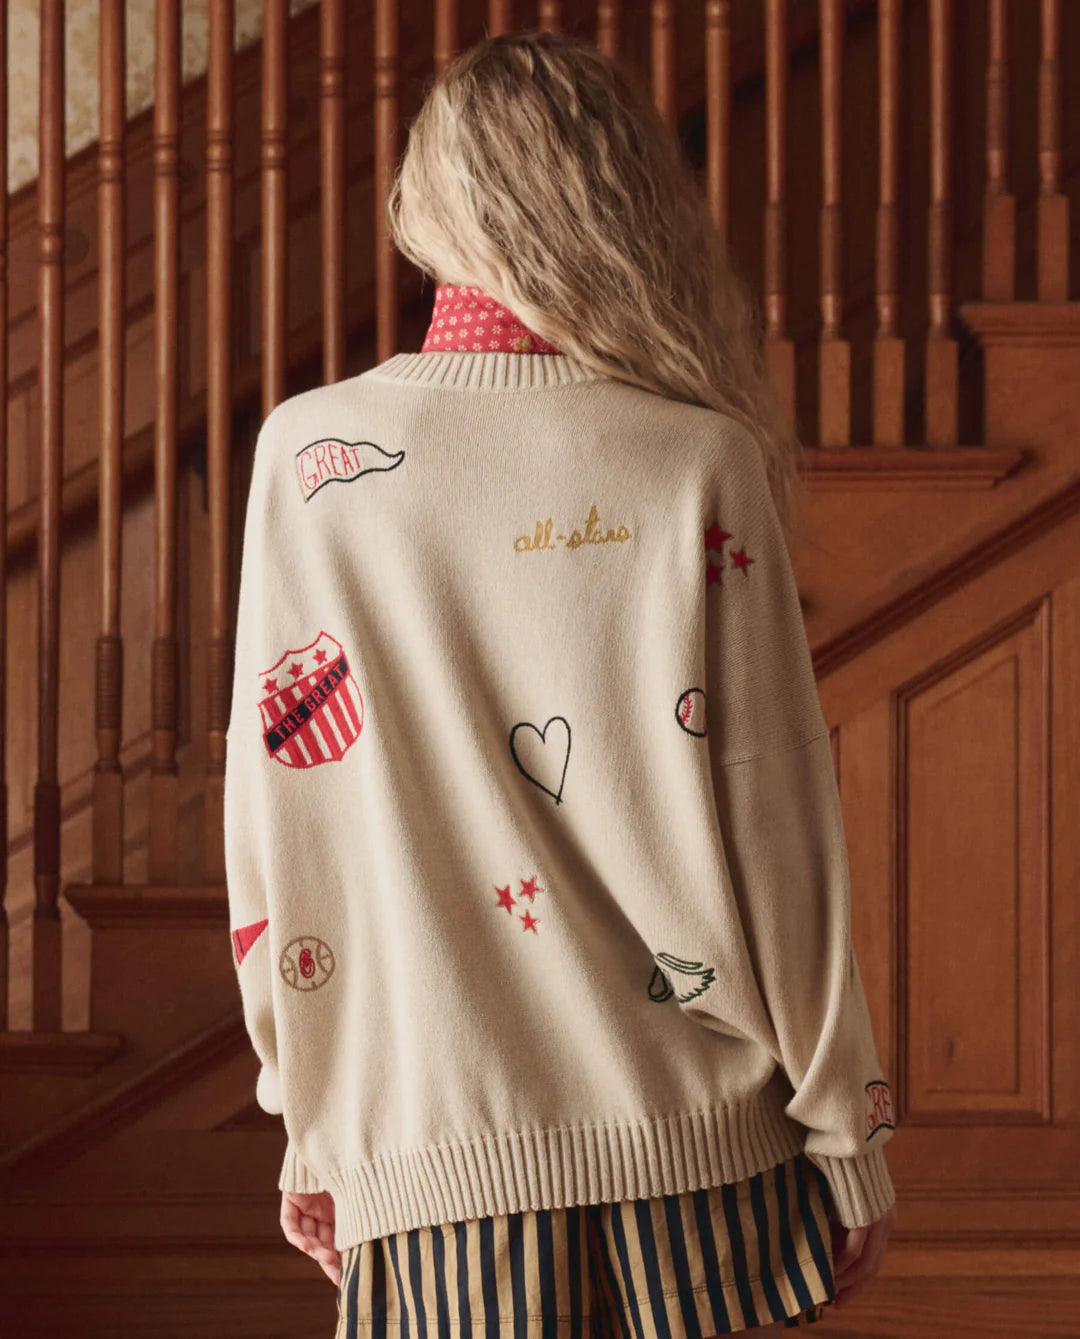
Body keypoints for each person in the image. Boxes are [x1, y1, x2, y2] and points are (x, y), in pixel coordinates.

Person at [224, 30, 898, 1337]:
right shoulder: (695, 457)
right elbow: (775, 826)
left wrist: (313, 1124)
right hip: (707, 1157)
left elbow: (279, 831)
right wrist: (848, 1124)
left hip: (425, 1154)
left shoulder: (311, 461)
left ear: (426, 206)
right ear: (626, 203)